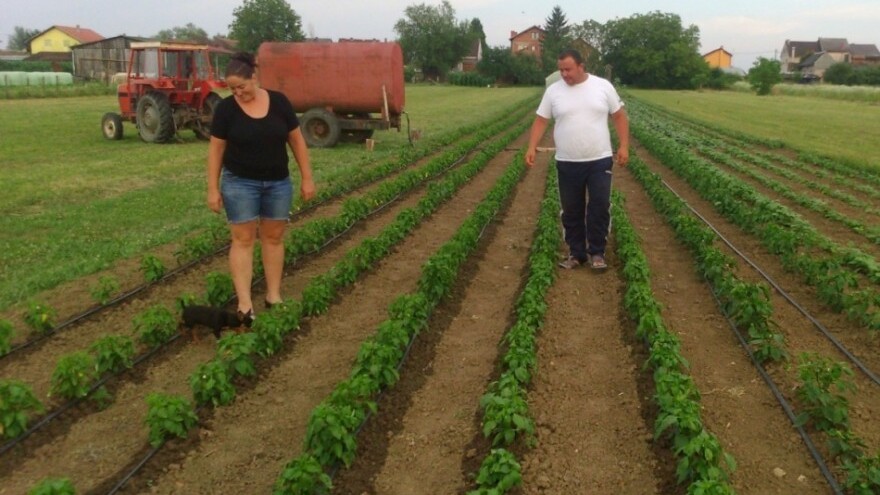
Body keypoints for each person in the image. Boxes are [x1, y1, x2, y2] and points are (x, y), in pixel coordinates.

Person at [207, 52, 316, 325]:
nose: (237, 93)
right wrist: (212, 188)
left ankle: (274, 295)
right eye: (232, 89)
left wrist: (307, 178)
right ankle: (245, 303)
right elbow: (216, 149)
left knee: (274, 238)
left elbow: (297, 141)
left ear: (254, 78)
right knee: (243, 240)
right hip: (239, 183)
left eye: (241, 86)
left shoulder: (279, 102)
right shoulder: (226, 110)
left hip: (278, 183)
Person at [525, 48, 629, 270]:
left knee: (599, 206)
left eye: (568, 69)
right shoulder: (554, 91)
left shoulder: (602, 86)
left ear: (581, 66)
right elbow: (541, 120)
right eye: (561, 69)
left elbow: (619, 116)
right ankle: (576, 253)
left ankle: (597, 253)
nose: (564, 74)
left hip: (599, 159)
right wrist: (531, 147)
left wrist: (624, 146)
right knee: (571, 209)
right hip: (567, 161)